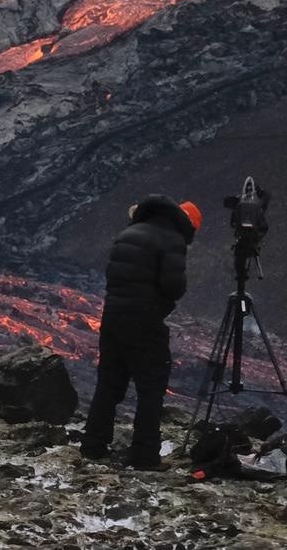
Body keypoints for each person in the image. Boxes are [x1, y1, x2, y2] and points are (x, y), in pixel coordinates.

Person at [80, 195, 202, 470]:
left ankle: (93, 446)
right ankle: (144, 456)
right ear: (188, 226)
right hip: (145, 321)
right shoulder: (171, 240)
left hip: (112, 317)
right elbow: (173, 286)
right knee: (151, 388)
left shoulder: (129, 231)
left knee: (109, 384)